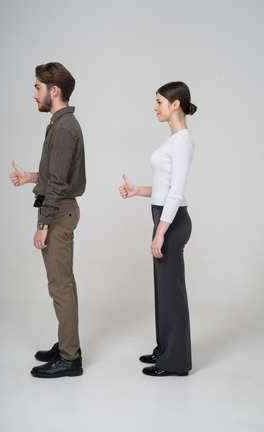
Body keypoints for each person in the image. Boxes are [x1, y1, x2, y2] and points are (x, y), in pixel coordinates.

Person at [9, 62, 86, 378]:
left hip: (58, 213)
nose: (34, 94)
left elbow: (57, 184)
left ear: (54, 91)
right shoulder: (60, 124)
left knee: (60, 287)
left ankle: (70, 359)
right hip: (61, 209)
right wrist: (30, 177)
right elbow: (57, 175)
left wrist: (42, 224)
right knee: (63, 284)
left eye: (38, 87)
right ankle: (68, 345)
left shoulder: (64, 128)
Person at [119, 81, 197, 377]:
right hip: (165, 216)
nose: (155, 107)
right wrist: (137, 189)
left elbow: (176, 192)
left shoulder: (182, 141)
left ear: (175, 104)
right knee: (163, 292)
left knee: (172, 293)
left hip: (172, 221)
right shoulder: (174, 139)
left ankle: (175, 362)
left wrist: (161, 233)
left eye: (159, 102)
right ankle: (164, 350)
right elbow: (164, 187)